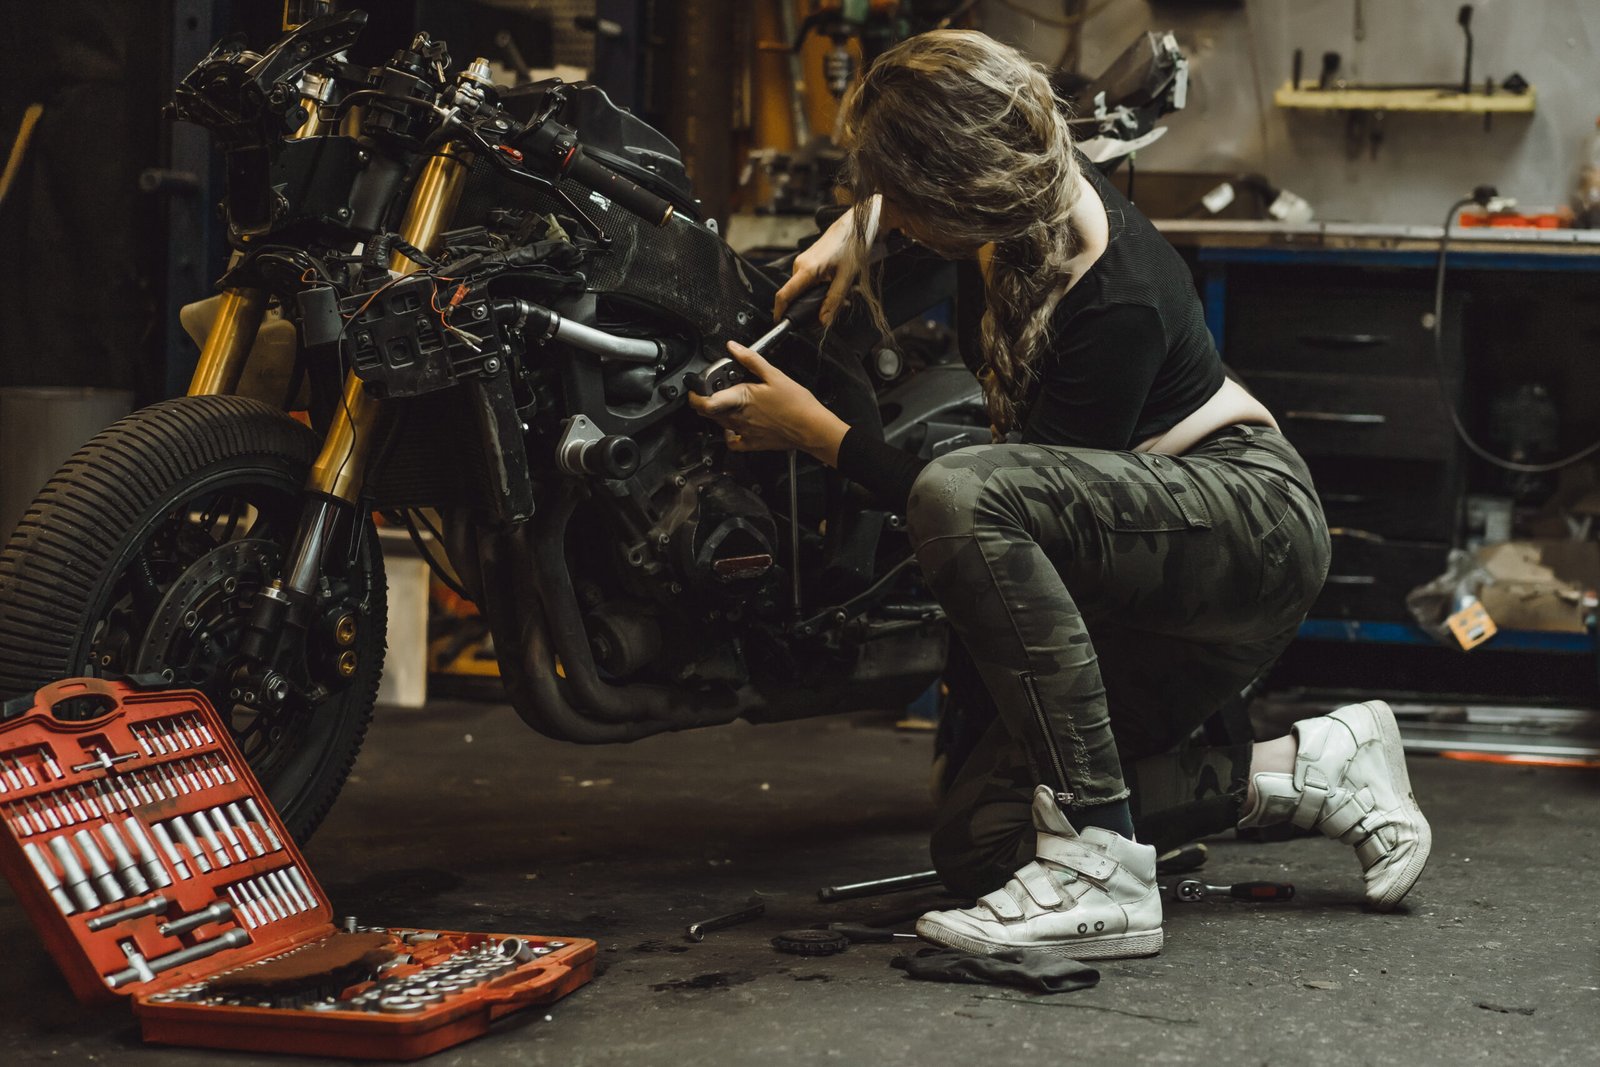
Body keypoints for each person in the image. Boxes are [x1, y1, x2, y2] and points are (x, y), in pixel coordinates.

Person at [690, 30, 1430, 959]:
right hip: (1150, 537)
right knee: (984, 843)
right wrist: (865, 224)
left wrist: (822, 437)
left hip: (1245, 525)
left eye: (914, 203)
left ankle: (1107, 872)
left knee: (963, 492)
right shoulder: (1010, 209)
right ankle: (1311, 768)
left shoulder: (1110, 296)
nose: (904, 219)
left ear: (964, 192)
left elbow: (1017, 522)